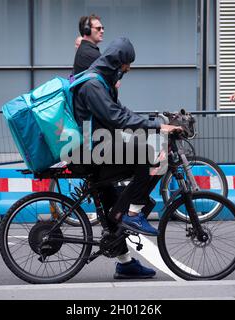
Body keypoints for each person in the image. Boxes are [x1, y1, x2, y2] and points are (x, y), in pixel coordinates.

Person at [71, 37, 183, 279]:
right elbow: (116, 118)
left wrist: (158, 120)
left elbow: (121, 112)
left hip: (97, 147)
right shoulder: (93, 86)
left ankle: (125, 263)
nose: (128, 69)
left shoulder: (101, 82)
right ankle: (134, 213)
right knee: (152, 156)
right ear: (116, 62)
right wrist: (157, 127)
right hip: (92, 152)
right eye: (127, 64)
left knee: (114, 209)